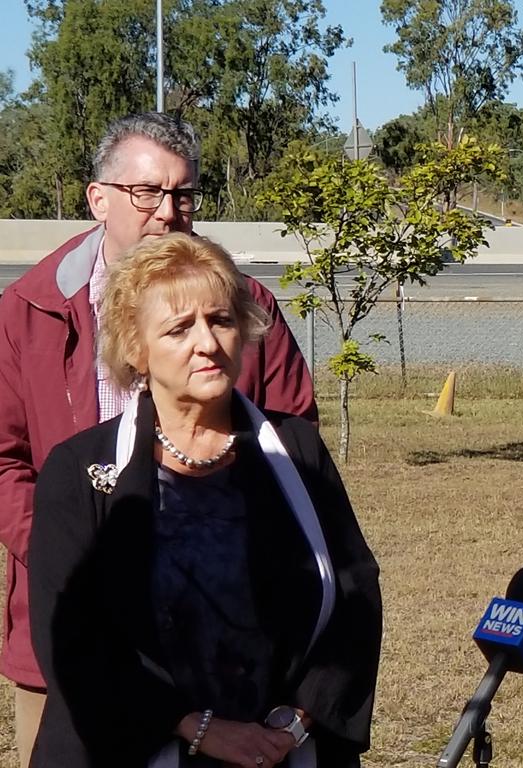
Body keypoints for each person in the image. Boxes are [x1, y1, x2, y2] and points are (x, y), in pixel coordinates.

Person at [0, 112, 316, 767]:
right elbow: (4, 462)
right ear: (99, 199)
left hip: (225, 639)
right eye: (148, 192)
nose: (167, 211)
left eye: (183, 193)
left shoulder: (246, 307)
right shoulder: (26, 311)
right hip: (70, 637)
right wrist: (71, 554)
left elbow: (295, 447)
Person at [27, 233, 381, 768]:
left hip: (282, 749)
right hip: (133, 747)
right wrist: (197, 728)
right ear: (134, 348)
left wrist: (296, 722)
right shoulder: (79, 469)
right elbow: (71, 642)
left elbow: (356, 598)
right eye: (178, 328)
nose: (208, 343)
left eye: (220, 320)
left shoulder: (295, 449)